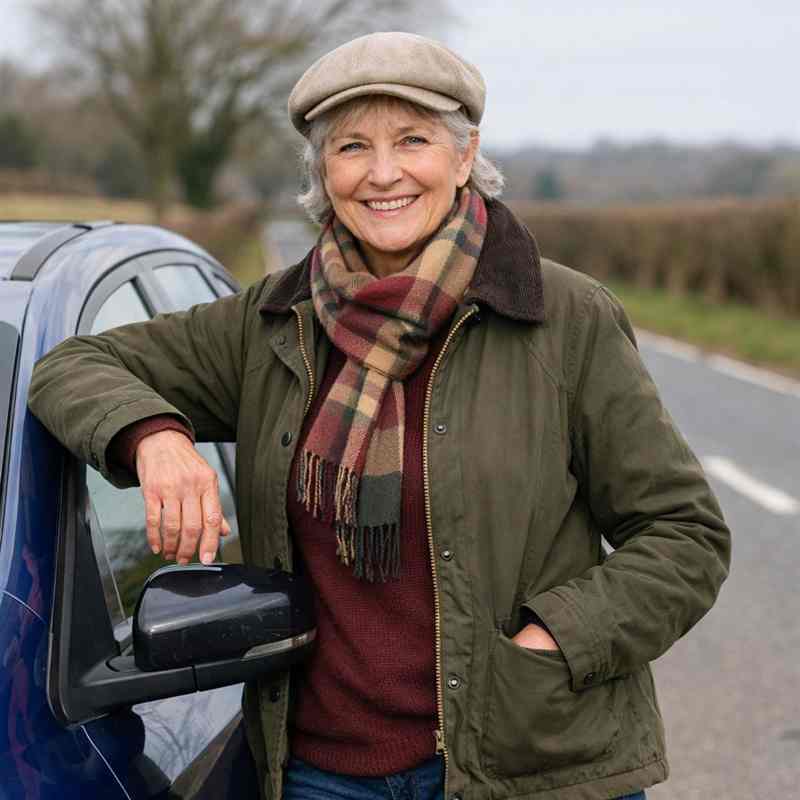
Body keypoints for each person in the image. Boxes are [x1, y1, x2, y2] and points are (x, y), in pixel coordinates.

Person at [29, 31, 730, 800]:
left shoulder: (564, 319)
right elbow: (72, 365)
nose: (384, 172)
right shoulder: (272, 320)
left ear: (464, 157)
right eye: (352, 146)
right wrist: (154, 436)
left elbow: (683, 536)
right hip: (323, 775)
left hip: (533, 765)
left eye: (414, 140)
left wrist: (554, 639)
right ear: (323, 173)